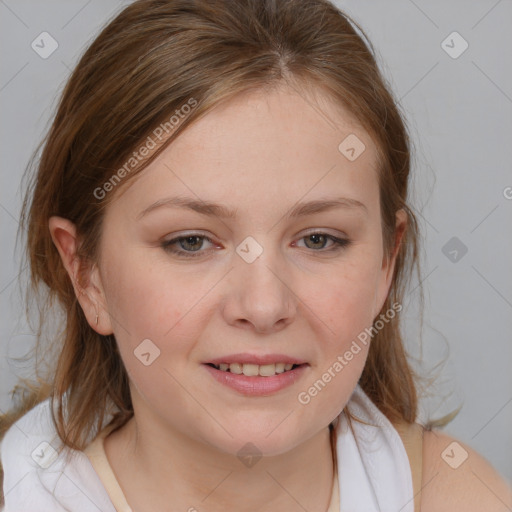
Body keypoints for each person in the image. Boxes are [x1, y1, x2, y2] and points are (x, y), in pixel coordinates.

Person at [1, 0, 510, 510]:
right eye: (191, 242)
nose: (264, 306)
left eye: (318, 240)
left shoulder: (460, 496)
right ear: (85, 273)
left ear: (386, 262)